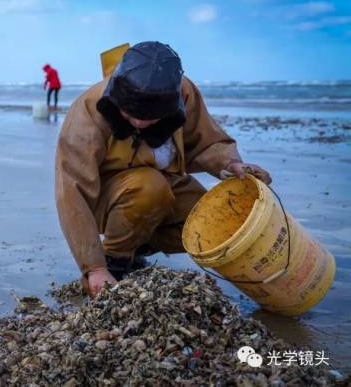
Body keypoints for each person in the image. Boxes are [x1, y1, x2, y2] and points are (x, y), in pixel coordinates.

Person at [55, 41, 271, 297]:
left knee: (213, 220)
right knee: (149, 186)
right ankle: (116, 260)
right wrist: (94, 267)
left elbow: (205, 142)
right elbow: (72, 192)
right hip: (108, 199)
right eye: (129, 115)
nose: (137, 122)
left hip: (165, 186)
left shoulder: (184, 92)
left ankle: (135, 247)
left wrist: (231, 163)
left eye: (148, 118)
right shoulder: (89, 110)